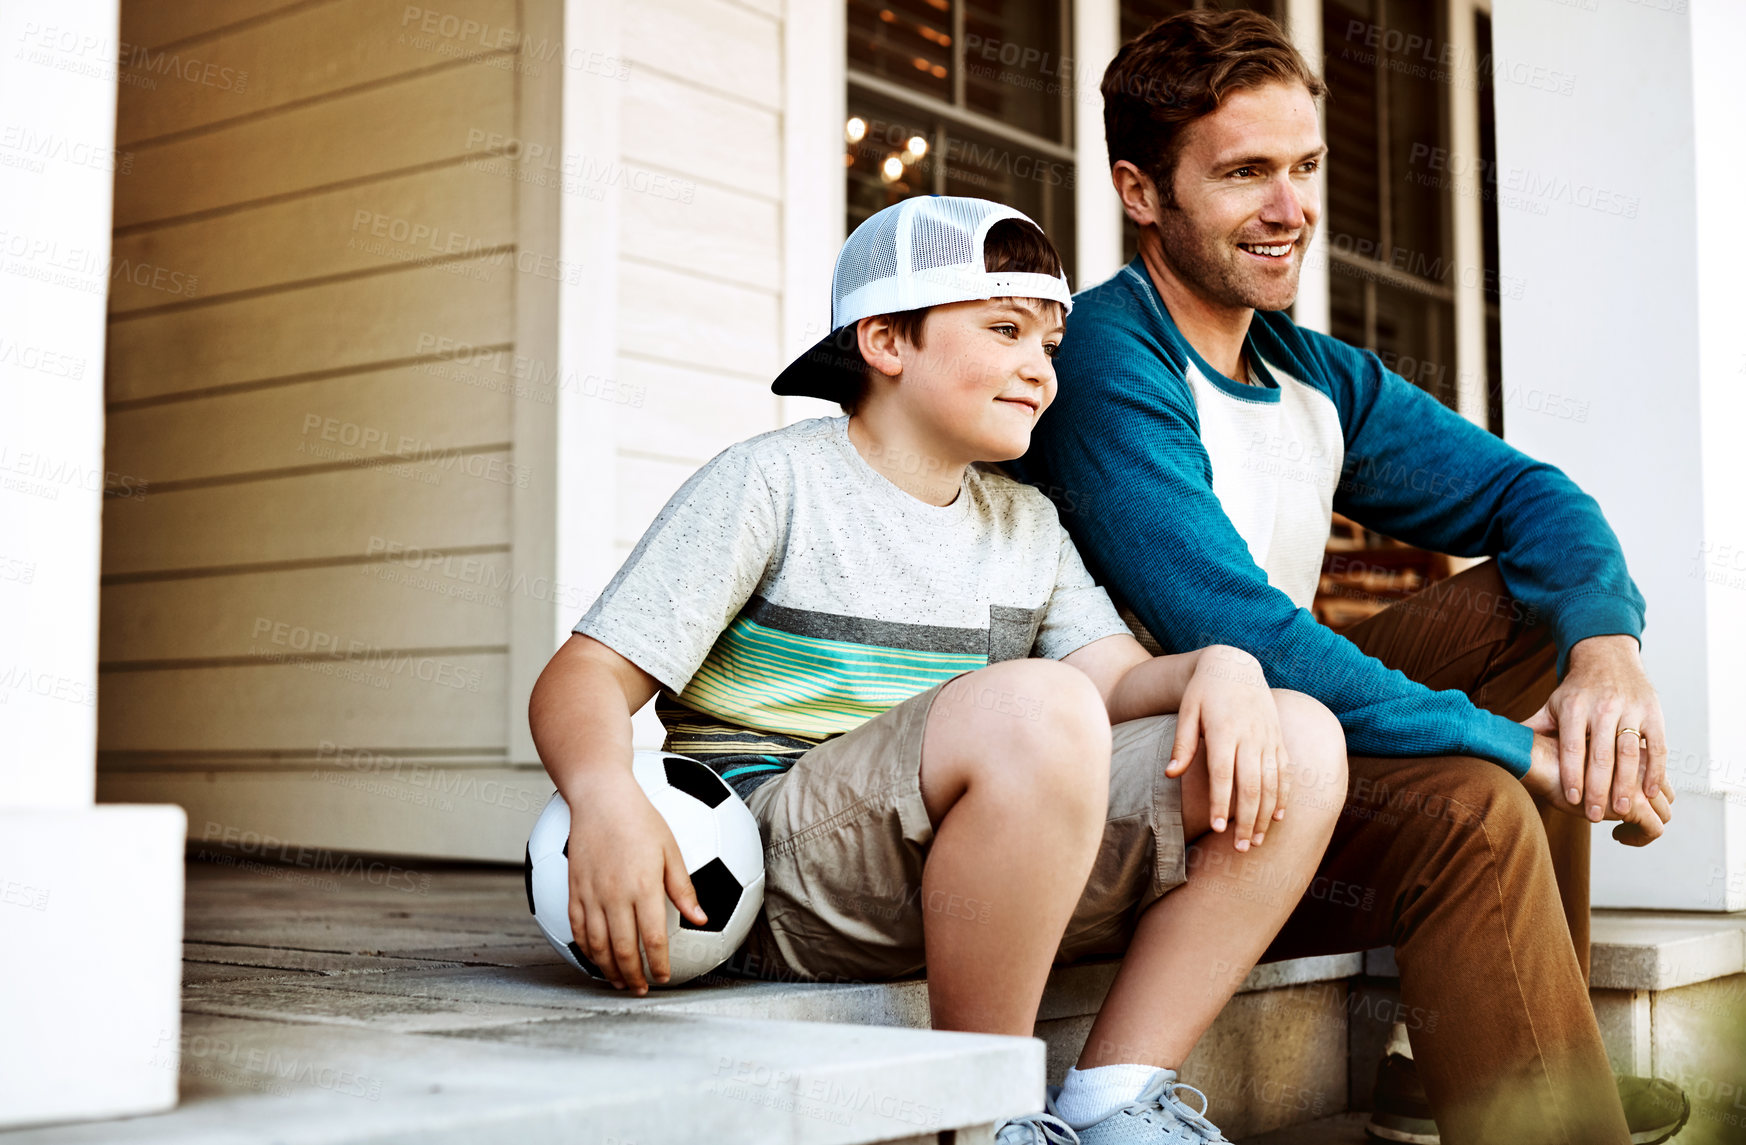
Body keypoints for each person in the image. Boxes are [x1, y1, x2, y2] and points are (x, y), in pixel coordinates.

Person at [528, 195, 1350, 1144]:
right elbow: (583, 678)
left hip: (964, 878)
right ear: (885, 341)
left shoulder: (1026, 523)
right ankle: (985, 1109)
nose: (1038, 369)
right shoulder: (776, 483)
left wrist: (1224, 667)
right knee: (1042, 705)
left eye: (1047, 344)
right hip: (781, 867)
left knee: (1302, 737)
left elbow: (1119, 681)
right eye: (1004, 330)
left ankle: (1116, 1097)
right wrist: (603, 798)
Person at [1010, 10, 1685, 1145]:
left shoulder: (1310, 369)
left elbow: (1537, 498)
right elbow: (1235, 627)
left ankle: (1470, 1040)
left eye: (1307, 166)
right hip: (1159, 785)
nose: (1293, 209)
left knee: (1543, 601)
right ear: (1140, 192)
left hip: (1289, 746)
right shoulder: (1106, 362)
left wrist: (1606, 656)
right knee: (1479, 803)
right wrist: (1526, 751)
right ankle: (1525, 1098)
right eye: (1246, 174)